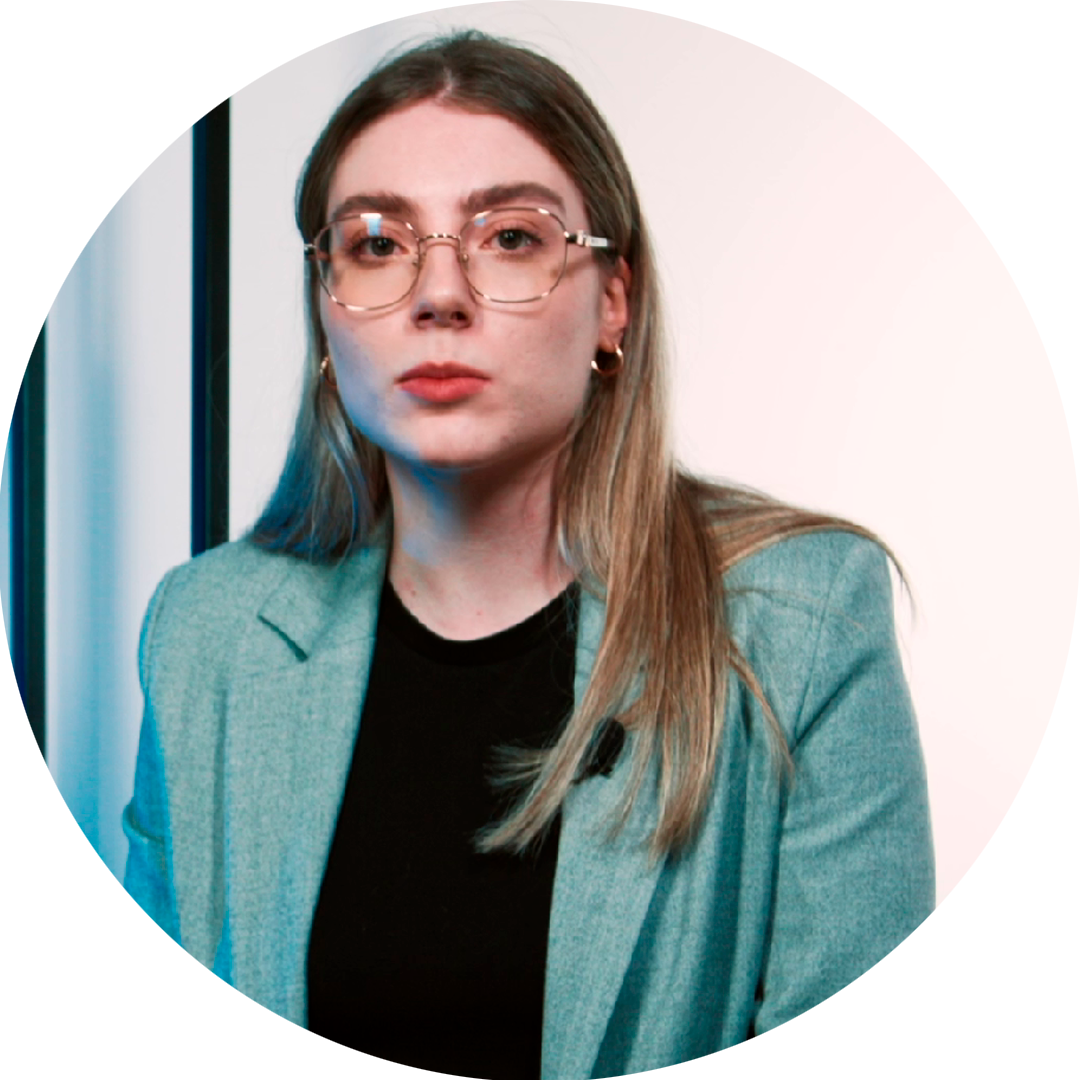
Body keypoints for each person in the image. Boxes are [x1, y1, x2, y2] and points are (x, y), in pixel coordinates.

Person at [122, 31, 934, 1080]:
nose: (438, 294)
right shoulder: (208, 634)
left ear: (612, 302)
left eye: (509, 237)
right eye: (377, 243)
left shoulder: (805, 622)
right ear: (327, 312)